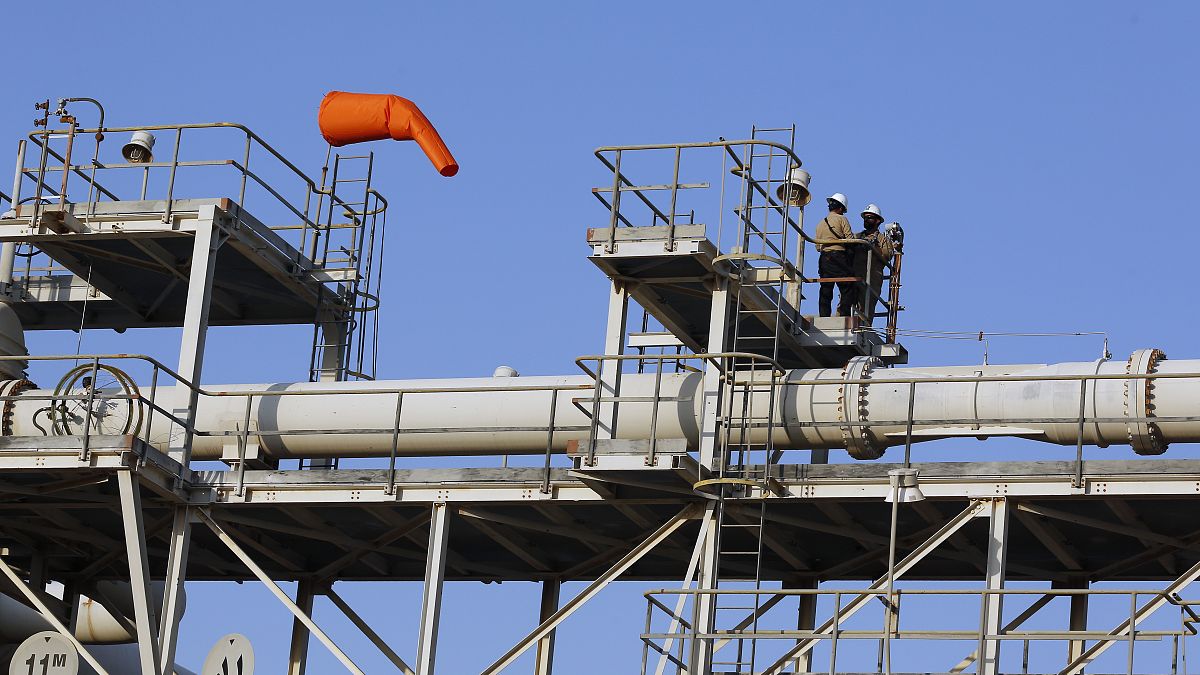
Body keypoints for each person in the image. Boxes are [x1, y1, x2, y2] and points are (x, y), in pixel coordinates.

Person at [815, 192, 856, 317]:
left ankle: (824, 317)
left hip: (824, 259)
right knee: (847, 287)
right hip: (839, 258)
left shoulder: (821, 223)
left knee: (825, 289)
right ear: (841, 208)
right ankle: (844, 315)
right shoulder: (842, 219)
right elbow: (850, 239)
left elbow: (818, 247)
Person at [853, 203, 895, 324]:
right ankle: (844, 325)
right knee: (847, 302)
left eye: (870, 217)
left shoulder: (883, 240)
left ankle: (864, 329)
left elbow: (887, 255)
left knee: (867, 306)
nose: (866, 220)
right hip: (855, 275)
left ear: (877, 221)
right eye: (865, 217)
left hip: (872, 279)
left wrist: (874, 247)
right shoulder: (856, 236)